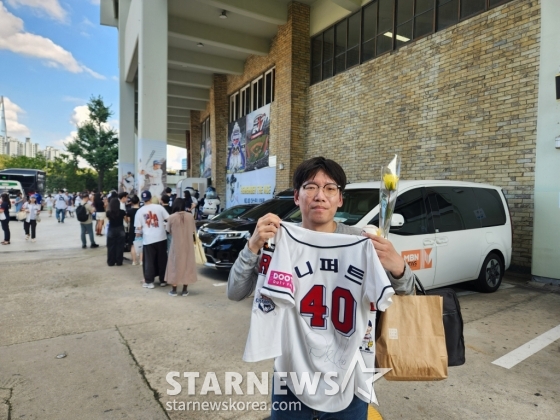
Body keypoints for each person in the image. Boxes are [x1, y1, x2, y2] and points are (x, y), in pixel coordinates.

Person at [227, 157, 414, 419]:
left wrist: (399, 268)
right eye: (311, 187)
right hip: (291, 374)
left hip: (349, 375)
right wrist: (252, 246)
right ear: (296, 196)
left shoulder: (361, 243)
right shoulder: (278, 241)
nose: (320, 196)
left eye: (330, 188)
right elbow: (235, 292)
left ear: (340, 199)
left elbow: (409, 296)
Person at [134, 190, 169, 288]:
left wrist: (137, 240)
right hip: (161, 237)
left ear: (143, 199)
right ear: (150, 198)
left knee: (149, 261)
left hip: (148, 239)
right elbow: (168, 218)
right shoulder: (159, 207)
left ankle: (149, 282)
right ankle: (163, 280)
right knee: (162, 259)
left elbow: (138, 229)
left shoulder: (139, 211)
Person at [165, 198, 198, 297]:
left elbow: (168, 230)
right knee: (187, 265)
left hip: (176, 245)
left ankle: (174, 290)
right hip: (188, 245)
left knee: (174, 265)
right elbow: (193, 230)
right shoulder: (190, 216)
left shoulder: (171, 217)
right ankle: (184, 290)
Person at [106, 197, 126, 266]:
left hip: (111, 229)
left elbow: (108, 219)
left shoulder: (108, 213)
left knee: (111, 246)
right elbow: (126, 219)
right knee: (120, 246)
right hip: (120, 229)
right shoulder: (122, 212)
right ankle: (119, 261)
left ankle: (111, 261)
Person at [126, 195, 142, 265]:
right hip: (141, 228)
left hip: (132, 228)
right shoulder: (142, 210)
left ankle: (134, 261)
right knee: (141, 244)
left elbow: (128, 220)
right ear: (138, 201)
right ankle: (141, 261)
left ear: (131, 202)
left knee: (132, 245)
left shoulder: (129, 211)